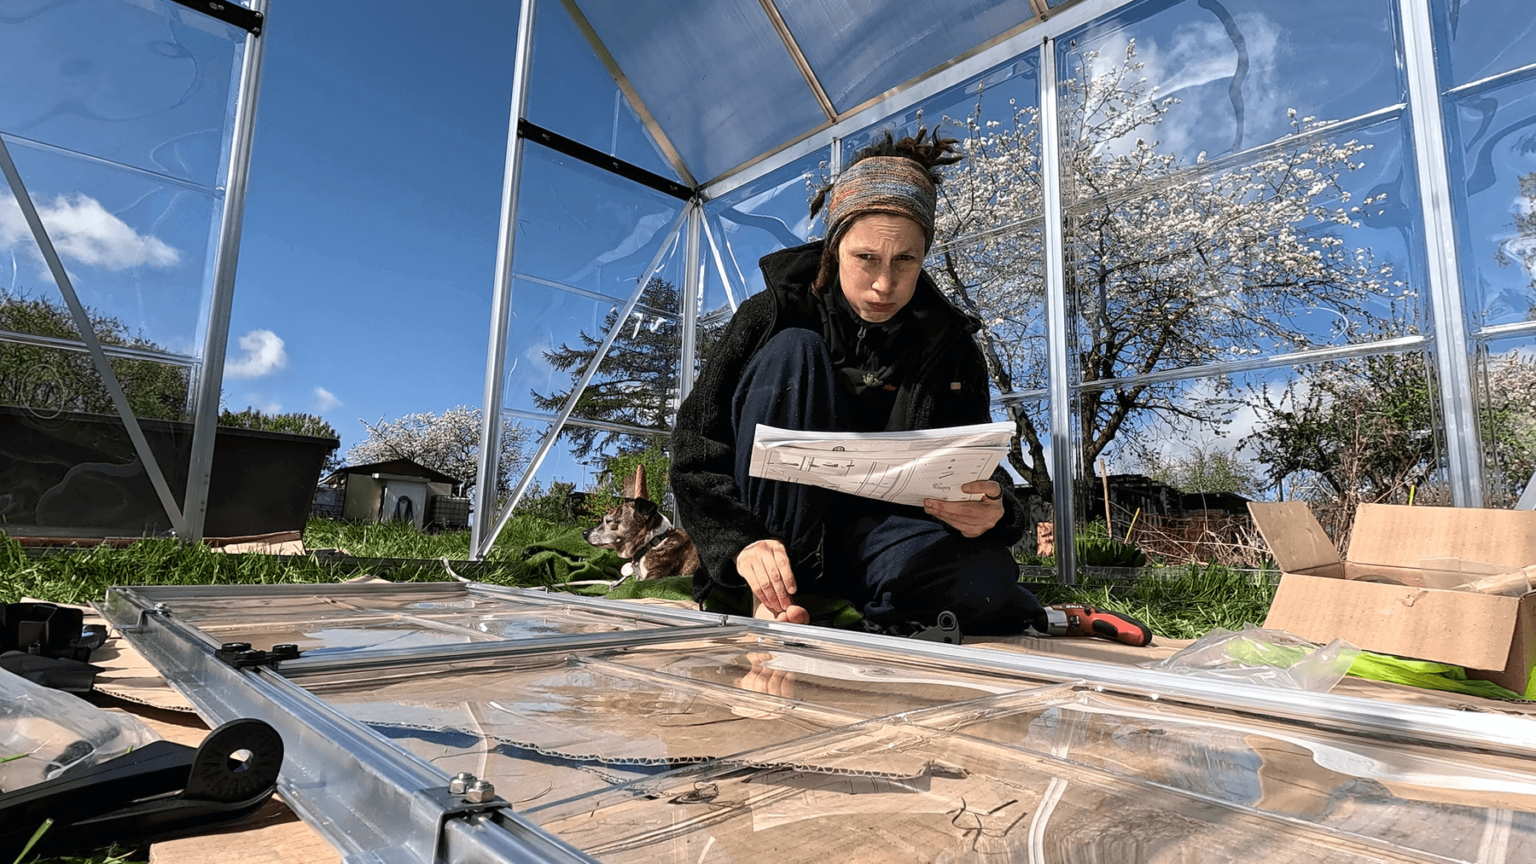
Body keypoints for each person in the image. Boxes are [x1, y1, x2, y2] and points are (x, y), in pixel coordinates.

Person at [671, 129, 1150, 646]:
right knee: (795, 351)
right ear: (834, 248)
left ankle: (1053, 616)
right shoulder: (768, 317)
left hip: (878, 537)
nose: (884, 283)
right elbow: (697, 450)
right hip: (774, 537)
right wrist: (740, 544)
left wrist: (997, 509)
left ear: (924, 256)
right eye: (866, 259)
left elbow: (977, 462)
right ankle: (774, 599)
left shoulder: (950, 346)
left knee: (984, 580)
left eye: (905, 261)